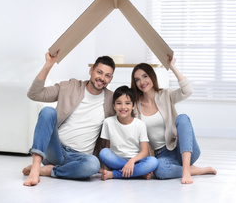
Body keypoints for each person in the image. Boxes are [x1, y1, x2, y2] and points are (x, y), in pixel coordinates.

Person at [22, 50, 116, 186]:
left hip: (80, 157)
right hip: (56, 150)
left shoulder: (112, 99)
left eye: (107, 76)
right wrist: (49, 64)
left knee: (93, 165)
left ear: (111, 79)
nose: (102, 78)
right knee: (48, 111)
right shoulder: (69, 86)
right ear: (91, 70)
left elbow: (131, 115)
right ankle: (36, 168)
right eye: (99, 72)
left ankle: (50, 171)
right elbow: (34, 94)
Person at [131, 55, 217, 184]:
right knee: (159, 171)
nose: (142, 82)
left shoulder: (166, 94)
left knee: (182, 118)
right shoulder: (134, 107)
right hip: (162, 155)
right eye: (137, 79)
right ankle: (196, 170)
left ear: (152, 77)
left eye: (145, 76)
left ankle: (186, 170)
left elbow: (187, 91)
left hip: (181, 147)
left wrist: (172, 67)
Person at [99, 85, 158, 180]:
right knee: (103, 153)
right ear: (114, 105)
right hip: (117, 160)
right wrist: (105, 167)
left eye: (127, 103)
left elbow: (144, 152)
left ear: (133, 105)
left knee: (153, 162)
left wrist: (132, 161)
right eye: (119, 103)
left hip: (136, 161)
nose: (123, 107)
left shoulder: (140, 124)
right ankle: (138, 173)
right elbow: (107, 146)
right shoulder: (108, 122)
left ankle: (115, 174)